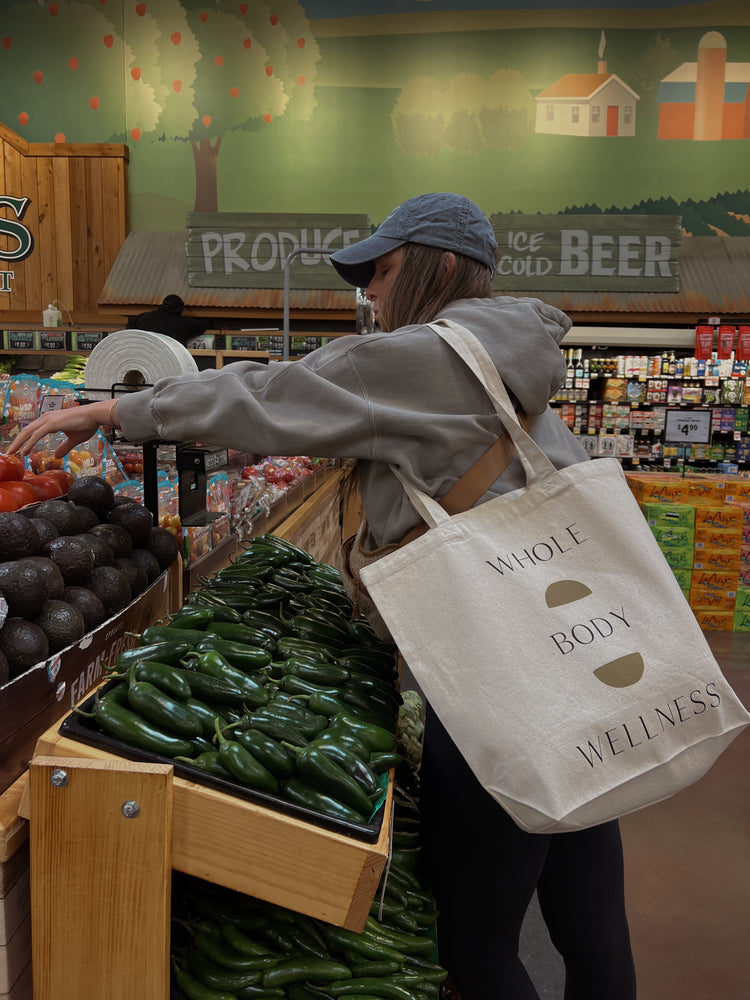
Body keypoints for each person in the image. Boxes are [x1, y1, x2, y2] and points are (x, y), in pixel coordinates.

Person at [9, 192, 637, 999]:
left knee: (475, 946)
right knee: (589, 915)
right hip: (574, 652)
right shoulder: (509, 347)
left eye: (378, 271)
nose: (367, 293)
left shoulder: (428, 356)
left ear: (437, 266)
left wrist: (117, 409)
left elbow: (280, 394)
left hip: (498, 679)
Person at [127, 294, 210, 344]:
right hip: (169, 359)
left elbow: (130, 326)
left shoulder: (144, 317)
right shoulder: (182, 323)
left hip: (146, 356)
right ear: (179, 310)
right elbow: (203, 325)